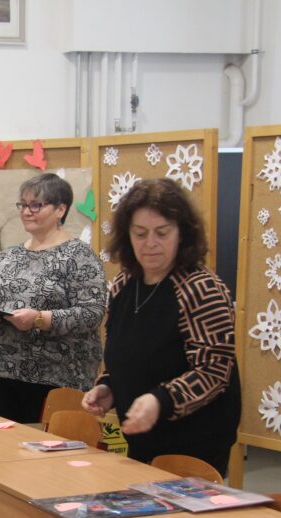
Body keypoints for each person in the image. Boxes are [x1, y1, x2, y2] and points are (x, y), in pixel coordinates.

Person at [82, 178, 241, 476]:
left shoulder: (200, 288)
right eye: (140, 233)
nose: (150, 243)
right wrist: (110, 386)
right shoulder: (124, 284)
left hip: (194, 447)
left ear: (182, 234)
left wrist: (161, 400)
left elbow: (214, 371)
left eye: (162, 233)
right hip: (142, 441)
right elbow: (128, 353)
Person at [0, 172, 105, 423]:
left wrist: (40, 319)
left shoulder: (79, 256)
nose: (26, 212)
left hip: (57, 378)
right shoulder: (8, 256)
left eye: (36, 205)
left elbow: (92, 313)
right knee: (2, 446)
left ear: (60, 210)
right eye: (23, 205)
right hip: (3, 374)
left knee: (47, 447)